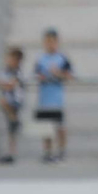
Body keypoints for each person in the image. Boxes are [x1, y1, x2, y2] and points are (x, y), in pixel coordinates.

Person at [33, 28, 73, 164]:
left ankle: (61, 152)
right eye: (47, 41)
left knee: (59, 127)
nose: (50, 44)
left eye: (52, 41)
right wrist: (41, 77)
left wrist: (58, 74)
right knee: (46, 128)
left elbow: (69, 76)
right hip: (44, 99)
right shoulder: (40, 59)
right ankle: (47, 153)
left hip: (57, 99)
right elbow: (36, 75)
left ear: (57, 42)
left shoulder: (62, 58)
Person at [0, 46, 22, 165]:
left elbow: (10, 86)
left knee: (11, 128)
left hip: (14, 101)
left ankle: (11, 153)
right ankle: (9, 153)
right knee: (9, 130)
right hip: (8, 100)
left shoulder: (17, 72)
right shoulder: (6, 71)